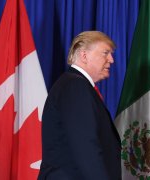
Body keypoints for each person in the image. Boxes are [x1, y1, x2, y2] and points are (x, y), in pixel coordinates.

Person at [38, 31, 121, 179]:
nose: (111, 60)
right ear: (84, 56)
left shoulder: (73, 84)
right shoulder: (75, 86)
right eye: (105, 53)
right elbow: (86, 149)